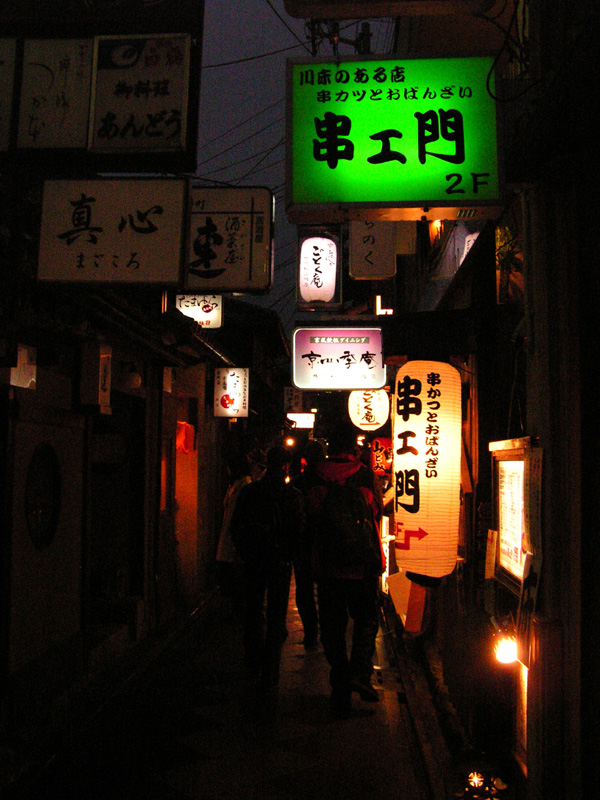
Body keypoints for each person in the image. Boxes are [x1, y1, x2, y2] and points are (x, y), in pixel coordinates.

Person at [306, 420, 384, 717]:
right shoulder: (364, 475)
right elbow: (376, 508)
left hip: (327, 566)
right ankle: (359, 673)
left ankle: (340, 682)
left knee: (332, 627)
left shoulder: (316, 475)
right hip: (362, 564)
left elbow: (310, 515)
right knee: (366, 619)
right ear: (354, 446)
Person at [231, 444, 304, 690]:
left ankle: (252, 660)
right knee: (276, 614)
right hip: (280, 562)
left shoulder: (251, 491)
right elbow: (298, 531)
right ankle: (270, 668)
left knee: (253, 610)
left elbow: (236, 525)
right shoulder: (292, 495)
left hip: (254, 559)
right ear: (285, 466)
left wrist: (245, 553)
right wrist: (289, 555)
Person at [291, 439, 326, 650]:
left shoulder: (297, 483)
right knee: (325, 588)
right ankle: (325, 630)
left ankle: (311, 630)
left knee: (304, 590)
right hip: (326, 543)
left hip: (302, 542)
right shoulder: (331, 481)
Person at [216, 453, 252, 601]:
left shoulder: (245, 486)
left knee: (235, 581)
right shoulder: (235, 485)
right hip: (229, 539)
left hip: (236, 540)